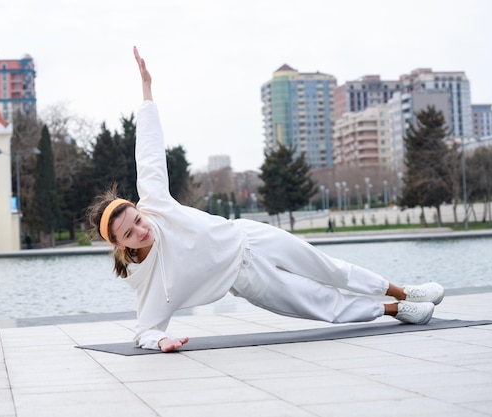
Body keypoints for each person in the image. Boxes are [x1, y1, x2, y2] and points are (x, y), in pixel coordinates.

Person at [86, 47, 445, 353]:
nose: (141, 229)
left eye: (136, 219)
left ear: (137, 208)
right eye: (130, 233)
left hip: (248, 236)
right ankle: (395, 309)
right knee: (317, 301)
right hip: (248, 279)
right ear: (118, 244)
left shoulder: (155, 204)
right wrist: (161, 341)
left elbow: (148, 153)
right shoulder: (147, 281)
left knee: (327, 268)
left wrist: (147, 91)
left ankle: (405, 290)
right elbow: (145, 330)